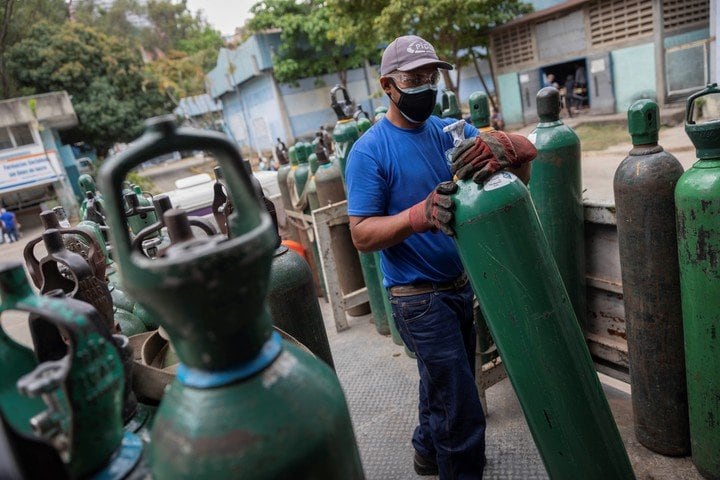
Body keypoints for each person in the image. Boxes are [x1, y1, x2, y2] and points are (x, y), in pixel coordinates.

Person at [345, 35, 536, 479]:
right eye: (413, 78)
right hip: (417, 299)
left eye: (431, 76)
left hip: (458, 287)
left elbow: (508, 162)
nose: (426, 86)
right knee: (461, 408)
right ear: (387, 86)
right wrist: (418, 215)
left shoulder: (448, 131)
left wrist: (517, 148)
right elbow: (360, 234)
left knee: (442, 382)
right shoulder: (370, 151)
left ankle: (425, 451)